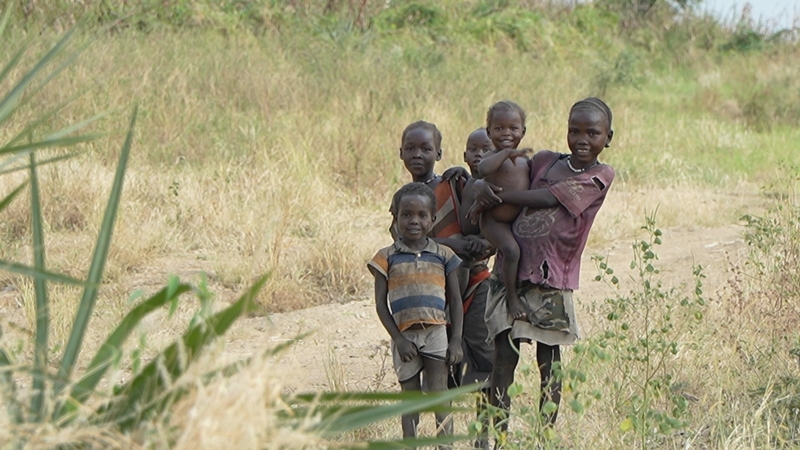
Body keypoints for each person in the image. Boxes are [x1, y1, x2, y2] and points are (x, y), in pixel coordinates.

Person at [469, 97, 616, 440]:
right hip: (509, 276)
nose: (582, 139)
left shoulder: (599, 175)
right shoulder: (546, 161)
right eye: (574, 130)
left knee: (548, 363)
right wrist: (478, 184)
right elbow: (509, 172)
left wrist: (498, 197)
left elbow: (548, 198)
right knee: (503, 360)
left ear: (608, 137)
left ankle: (544, 436)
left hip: (551, 279)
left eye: (592, 133)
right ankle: (499, 436)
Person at [368, 182, 464, 445]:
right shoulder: (385, 258)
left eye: (422, 215)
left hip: (435, 333)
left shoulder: (445, 255)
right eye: (406, 215)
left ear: (433, 220)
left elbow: (455, 301)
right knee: (410, 398)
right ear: (395, 219)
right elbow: (380, 304)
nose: (414, 221)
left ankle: (445, 444)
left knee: (439, 393)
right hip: (404, 336)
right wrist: (398, 339)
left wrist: (455, 339)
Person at [458, 128, 497, 449]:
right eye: (473, 150)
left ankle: (483, 436)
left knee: (484, 355)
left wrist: (482, 243)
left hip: (479, 280)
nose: (479, 155)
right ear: (464, 156)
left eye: (486, 149)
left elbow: (499, 236)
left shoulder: (497, 189)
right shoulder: (456, 185)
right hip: (447, 282)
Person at [475, 101, 532, 323]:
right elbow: (482, 170)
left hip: (514, 223)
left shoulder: (525, 161)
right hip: (493, 222)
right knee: (511, 251)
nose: (506, 133)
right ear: (489, 132)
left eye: (513, 128)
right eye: (499, 128)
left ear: (523, 132)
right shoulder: (492, 156)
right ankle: (511, 297)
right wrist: (506, 152)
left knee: (519, 251)